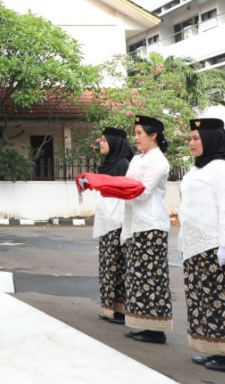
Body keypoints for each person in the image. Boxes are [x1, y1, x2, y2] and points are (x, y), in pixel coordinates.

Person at [179, 118, 225, 373]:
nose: (191, 143)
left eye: (196, 138)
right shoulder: (198, 168)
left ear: (210, 139)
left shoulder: (222, 168)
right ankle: (214, 349)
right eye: (190, 138)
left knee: (222, 301)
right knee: (203, 301)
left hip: (216, 245)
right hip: (195, 244)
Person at [121, 114, 173, 343]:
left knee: (152, 278)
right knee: (138, 277)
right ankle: (144, 324)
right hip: (136, 223)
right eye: (135, 133)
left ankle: (156, 330)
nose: (136, 137)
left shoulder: (159, 161)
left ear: (153, 135)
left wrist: (116, 188)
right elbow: (127, 183)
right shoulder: (137, 159)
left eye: (140, 133)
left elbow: (141, 191)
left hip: (151, 225)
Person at [93, 127, 134, 324]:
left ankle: (121, 310)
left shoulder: (123, 165)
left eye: (104, 140)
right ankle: (111, 308)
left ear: (115, 143)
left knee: (118, 267)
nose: (100, 143)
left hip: (118, 222)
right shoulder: (108, 165)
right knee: (108, 267)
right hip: (107, 221)